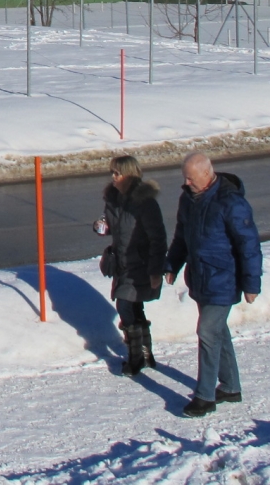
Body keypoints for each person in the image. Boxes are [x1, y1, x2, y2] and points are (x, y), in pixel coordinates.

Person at [166, 152, 262, 417]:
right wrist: (172, 265)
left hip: (224, 279)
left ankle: (205, 396)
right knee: (218, 332)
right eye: (184, 177)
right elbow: (181, 237)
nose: (186, 182)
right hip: (200, 277)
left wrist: (252, 284)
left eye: (190, 178)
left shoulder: (231, 203)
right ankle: (230, 387)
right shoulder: (188, 199)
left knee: (207, 332)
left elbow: (249, 246)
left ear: (207, 175)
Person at [93, 154, 166, 376]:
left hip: (141, 264)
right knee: (133, 306)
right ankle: (145, 353)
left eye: (117, 173)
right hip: (122, 264)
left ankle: (136, 359)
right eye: (112, 173)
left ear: (129, 174)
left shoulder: (145, 202)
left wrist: (156, 270)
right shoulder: (113, 199)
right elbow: (115, 226)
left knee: (124, 304)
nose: (113, 177)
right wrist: (103, 226)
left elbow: (158, 237)